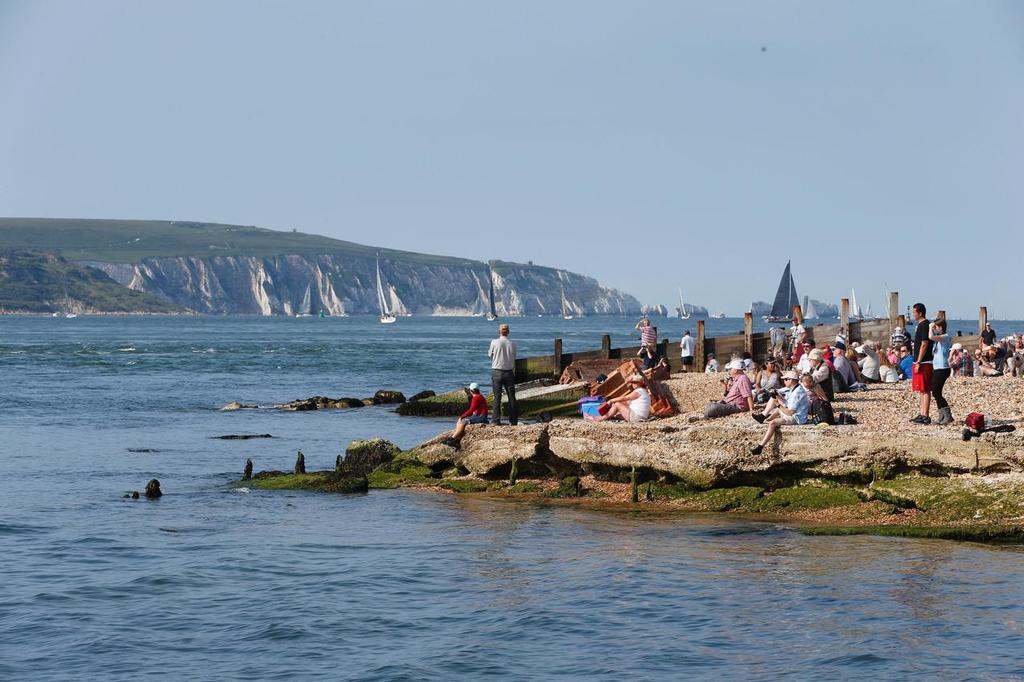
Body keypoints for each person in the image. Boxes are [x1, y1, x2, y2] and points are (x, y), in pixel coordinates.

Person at [749, 371, 810, 454]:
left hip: (797, 418)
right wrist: (775, 394)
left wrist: (778, 405)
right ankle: (763, 416)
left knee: (772, 423)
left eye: (785, 379)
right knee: (773, 398)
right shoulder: (794, 388)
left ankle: (760, 447)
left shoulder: (797, 393)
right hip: (792, 412)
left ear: (791, 380)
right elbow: (781, 393)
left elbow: (790, 412)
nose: (784, 381)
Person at [488, 324, 518, 425]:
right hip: (509, 372)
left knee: (497, 397)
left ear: (499, 331)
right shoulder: (513, 344)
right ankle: (513, 421)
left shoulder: (494, 342)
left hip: (497, 371)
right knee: (511, 397)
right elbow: (514, 357)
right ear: (508, 332)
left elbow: (490, 355)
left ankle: (495, 420)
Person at [909, 303, 934, 424]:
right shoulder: (921, 325)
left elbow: (924, 344)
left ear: (920, 313)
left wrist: (919, 361)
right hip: (920, 361)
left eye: (914, 312)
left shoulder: (925, 325)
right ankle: (922, 413)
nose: (913, 314)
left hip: (924, 361)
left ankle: (926, 415)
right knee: (921, 389)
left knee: (925, 389)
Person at [928, 319, 953, 424]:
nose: (935, 328)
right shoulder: (938, 340)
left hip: (943, 369)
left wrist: (930, 328)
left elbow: (931, 337)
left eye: (937, 327)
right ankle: (941, 416)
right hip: (937, 368)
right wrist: (932, 328)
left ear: (941, 328)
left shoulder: (945, 337)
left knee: (937, 393)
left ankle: (948, 416)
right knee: (935, 392)